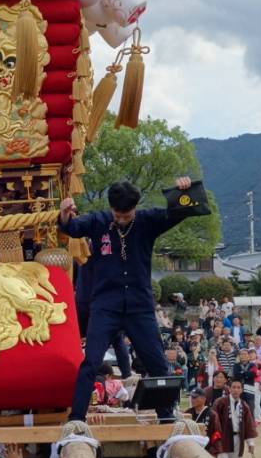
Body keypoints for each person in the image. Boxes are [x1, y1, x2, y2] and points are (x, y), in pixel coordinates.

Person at [60, 178, 196, 421]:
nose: (122, 219)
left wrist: (181, 191)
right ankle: (77, 419)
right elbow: (71, 228)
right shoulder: (98, 222)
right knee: (91, 361)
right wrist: (65, 215)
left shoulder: (146, 221)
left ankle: (166, 415)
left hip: (139, 306)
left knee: (158, 363)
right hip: (105, 306)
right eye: (118, 215)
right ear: (111, 208)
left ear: (135, 208)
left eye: (127, 215)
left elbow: (177, 213)